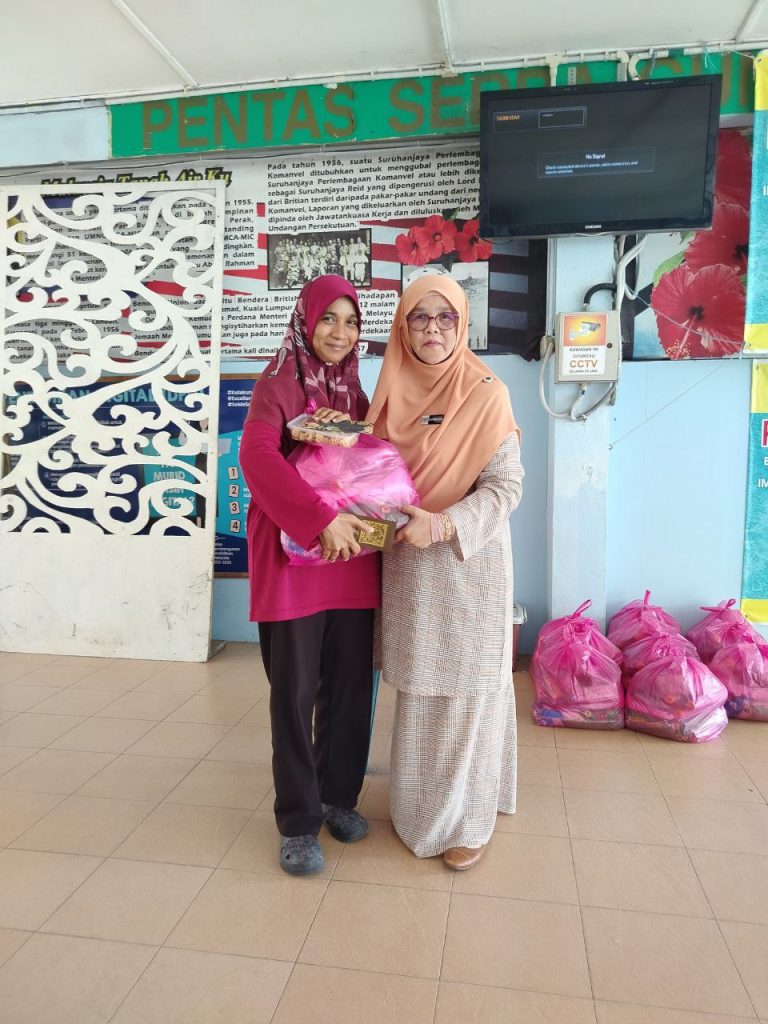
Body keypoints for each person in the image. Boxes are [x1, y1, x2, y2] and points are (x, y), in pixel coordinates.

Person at [367, 274, 523, 871]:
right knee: (422, 690)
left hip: (469, 566)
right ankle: (418, 810)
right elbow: (371, 479)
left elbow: (506, 488)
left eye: (446, 317)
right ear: (403, 327)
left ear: (462, 325)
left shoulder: (487, 394)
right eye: (419, 317)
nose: (432, 329)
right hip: (410, 570)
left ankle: (469, 818)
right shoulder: (388, 396)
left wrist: (444, 524)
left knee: (471, 692)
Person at [239, 274, 379, 876]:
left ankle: (337, 796)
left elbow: (372, 464)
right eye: (328, 319)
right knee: (294, 695)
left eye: (350, 322)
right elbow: (256, 457)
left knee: (350, 686)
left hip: (350, 559)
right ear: (305, 320)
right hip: (293, 554)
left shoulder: (354, 393)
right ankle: (298, 821)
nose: (339, 333)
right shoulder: (277, 384)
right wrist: (320, 520)